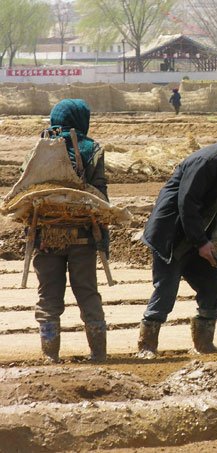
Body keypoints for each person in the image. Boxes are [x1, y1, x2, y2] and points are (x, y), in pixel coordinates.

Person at [137, 112, 217, 357]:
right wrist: (201, 242)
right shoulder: (209, 161)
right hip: (173, 236)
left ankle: (203, 344)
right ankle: (147, 346)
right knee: (166, 290)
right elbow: (187, 204)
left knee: (213, 286)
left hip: (199, 237)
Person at [33, 99, 108, 363]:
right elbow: (100, 195)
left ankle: (50, 355)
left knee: (48, 298)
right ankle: (98, 354)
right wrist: (104, 241)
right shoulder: (92, 150)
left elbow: (27, 193)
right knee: (87, 293)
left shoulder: (41, 149)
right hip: (83, 237)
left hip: (46, 238)